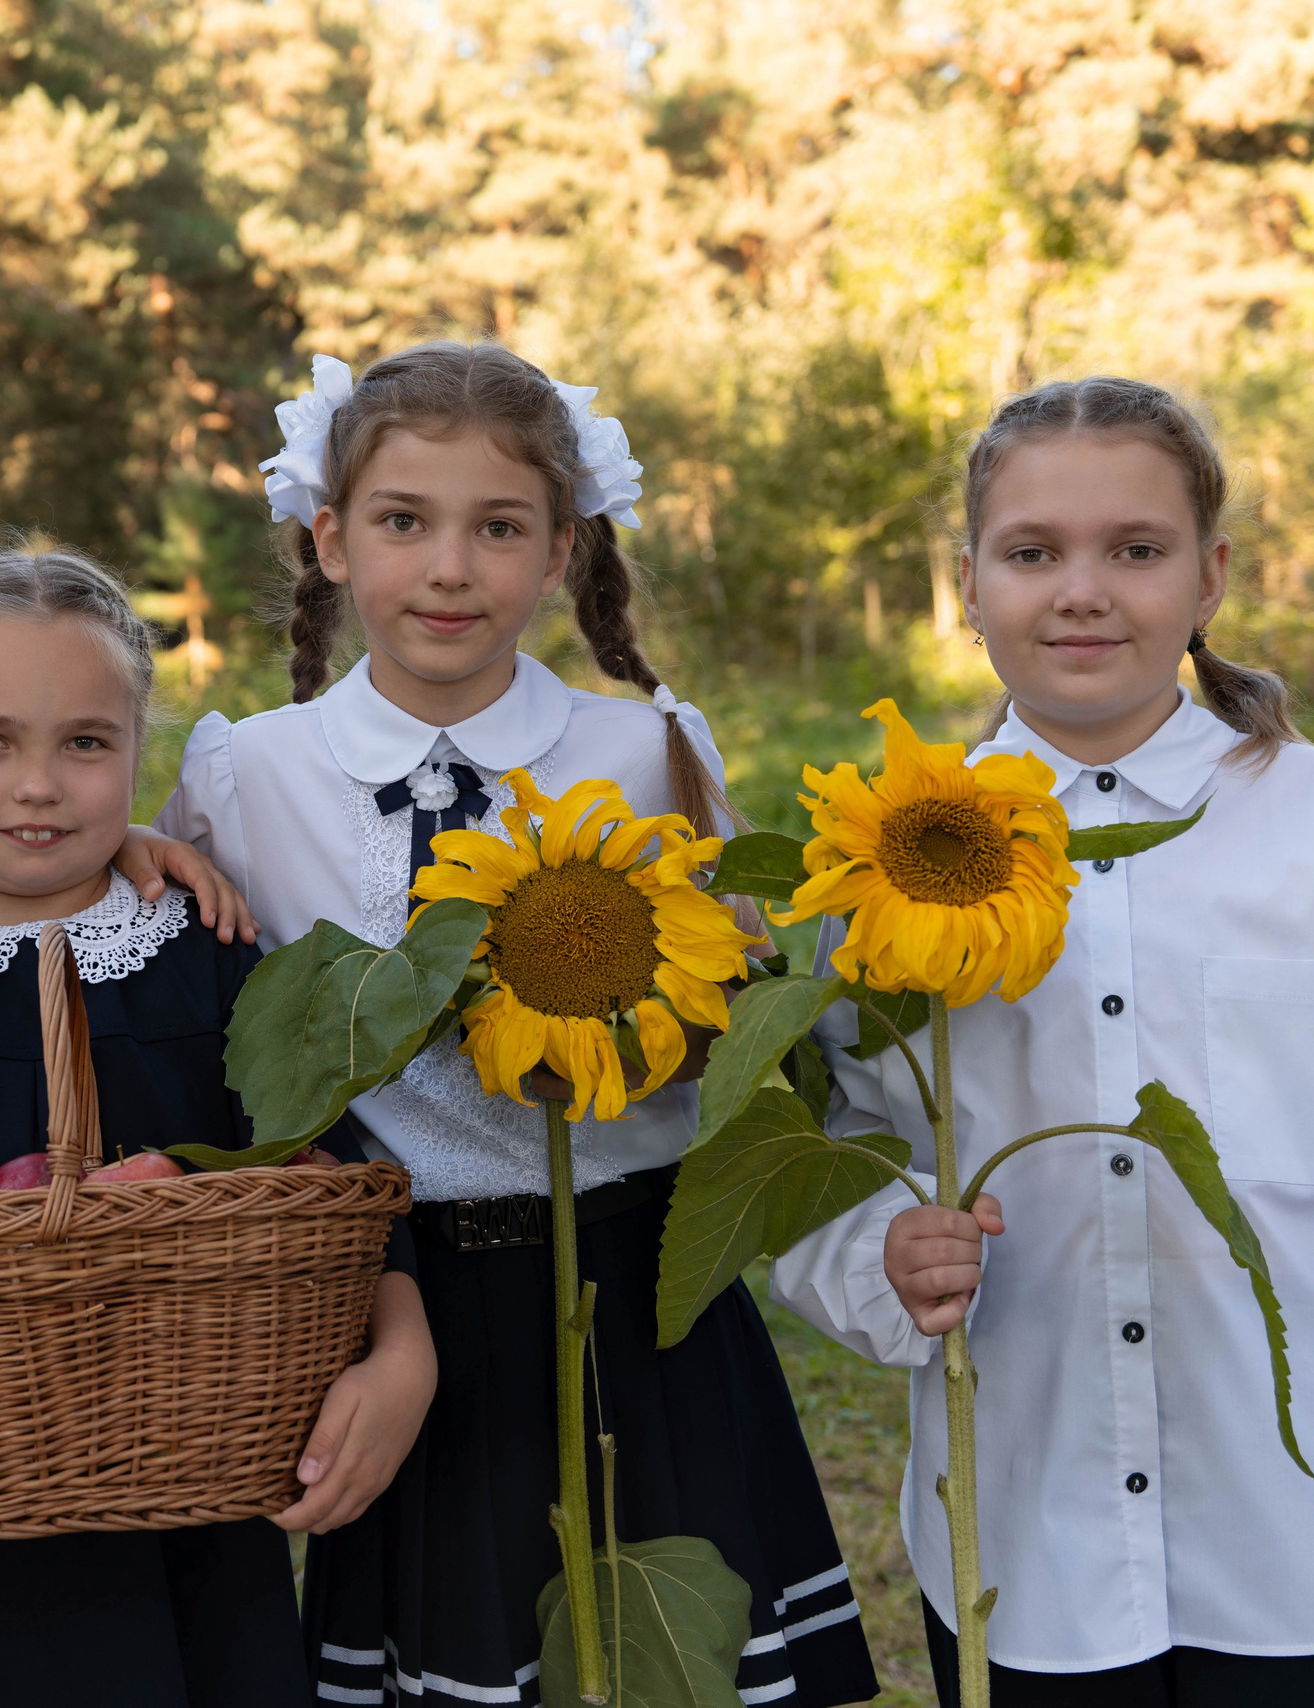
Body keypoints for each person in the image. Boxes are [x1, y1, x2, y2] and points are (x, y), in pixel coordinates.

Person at [770, 378, 1314, 1708]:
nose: (1081, 592)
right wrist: (877, 1249)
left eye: (1135, 551)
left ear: (1209, 578)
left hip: (1313, 1544)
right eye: (1032, 552)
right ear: (968, 583)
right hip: (1023, 1547)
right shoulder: (890, 856)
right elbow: (831, 1142)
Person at [155, 343, 878, 1708]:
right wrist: (139, 852)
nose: (450, 569)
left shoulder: (647, 749)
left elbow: (728, 991)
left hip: (647, 1290)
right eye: (403, 523)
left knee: (684, 1662)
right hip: (415, 1314)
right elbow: (202, 995)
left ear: (560, 553)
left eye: (499, 528)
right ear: (328, 538)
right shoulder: (248, 772)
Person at [0, 544, 440, 1708]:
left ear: (138, 747)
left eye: (86, 743)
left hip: (188, 1547)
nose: (37, 785)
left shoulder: (206, 967)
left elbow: (337, 1183)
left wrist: (402, 1356)